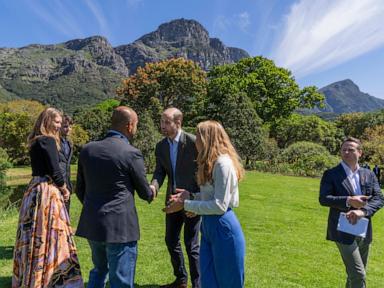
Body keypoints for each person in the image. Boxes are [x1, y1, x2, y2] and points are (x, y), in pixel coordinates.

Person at [75, 106, 155, 288]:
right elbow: (145, 193)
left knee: (98, 271)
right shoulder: (130, 153)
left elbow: (80, 189)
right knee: (121, 279)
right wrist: (153, 189)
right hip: (120, 228)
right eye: (136, 125)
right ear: (129, 126)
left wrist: (95, 207)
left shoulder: (88, 150)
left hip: (93, 223)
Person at [165, 120, 246, 288]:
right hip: (209, 225)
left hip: (223, 226)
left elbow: (219, 205)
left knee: (227, 282)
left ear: (208, 138)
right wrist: (192, 196)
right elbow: (209, 196)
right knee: (208, 281)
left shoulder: (223, 164)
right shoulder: (211, 162)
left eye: (199, 136)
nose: (196, 140)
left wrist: (186, 204)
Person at [12, 107, 83, 288]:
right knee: (52, 234)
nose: (59, 126)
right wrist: (64, 189)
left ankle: (33, 275)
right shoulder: (49, 140)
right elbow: (54, 169)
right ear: (48, 121)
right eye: (57, 122)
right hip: (47, 192)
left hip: (33, 189)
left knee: (34, 233)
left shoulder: (35, 141)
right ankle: (52, 277)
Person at [319, 137, 384, 288]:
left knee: (354, 275)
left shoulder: (369, 174)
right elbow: (324, 199)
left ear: (360, 152)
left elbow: (379, 198)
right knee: (358, 274)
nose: (346, 152)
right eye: (344, 150)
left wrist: (363, 211)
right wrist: (348, 200)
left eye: (351, 149)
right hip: (341, 229)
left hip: (363, 228)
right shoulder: (331, 174)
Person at [151, 108, 201, 288]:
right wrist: (153, 186)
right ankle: (181, 279)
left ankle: (197, 284)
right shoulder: (161, 146)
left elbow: (203, 173)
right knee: (171, 240)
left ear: (178, 123)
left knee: (191, 245)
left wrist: (195, 199)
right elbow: (159, 172)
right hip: (172, 202)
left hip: (192, 202)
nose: (162, 126)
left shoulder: (194, 143)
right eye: (161, 122)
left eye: (166, 122)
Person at [59, 114, 74, 213]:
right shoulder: (53, 142)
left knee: (66, 215)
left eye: (70, 126)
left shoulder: (69, 143)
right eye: (65, 126)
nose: (68, 129)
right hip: (57, 184)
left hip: (67, 185)